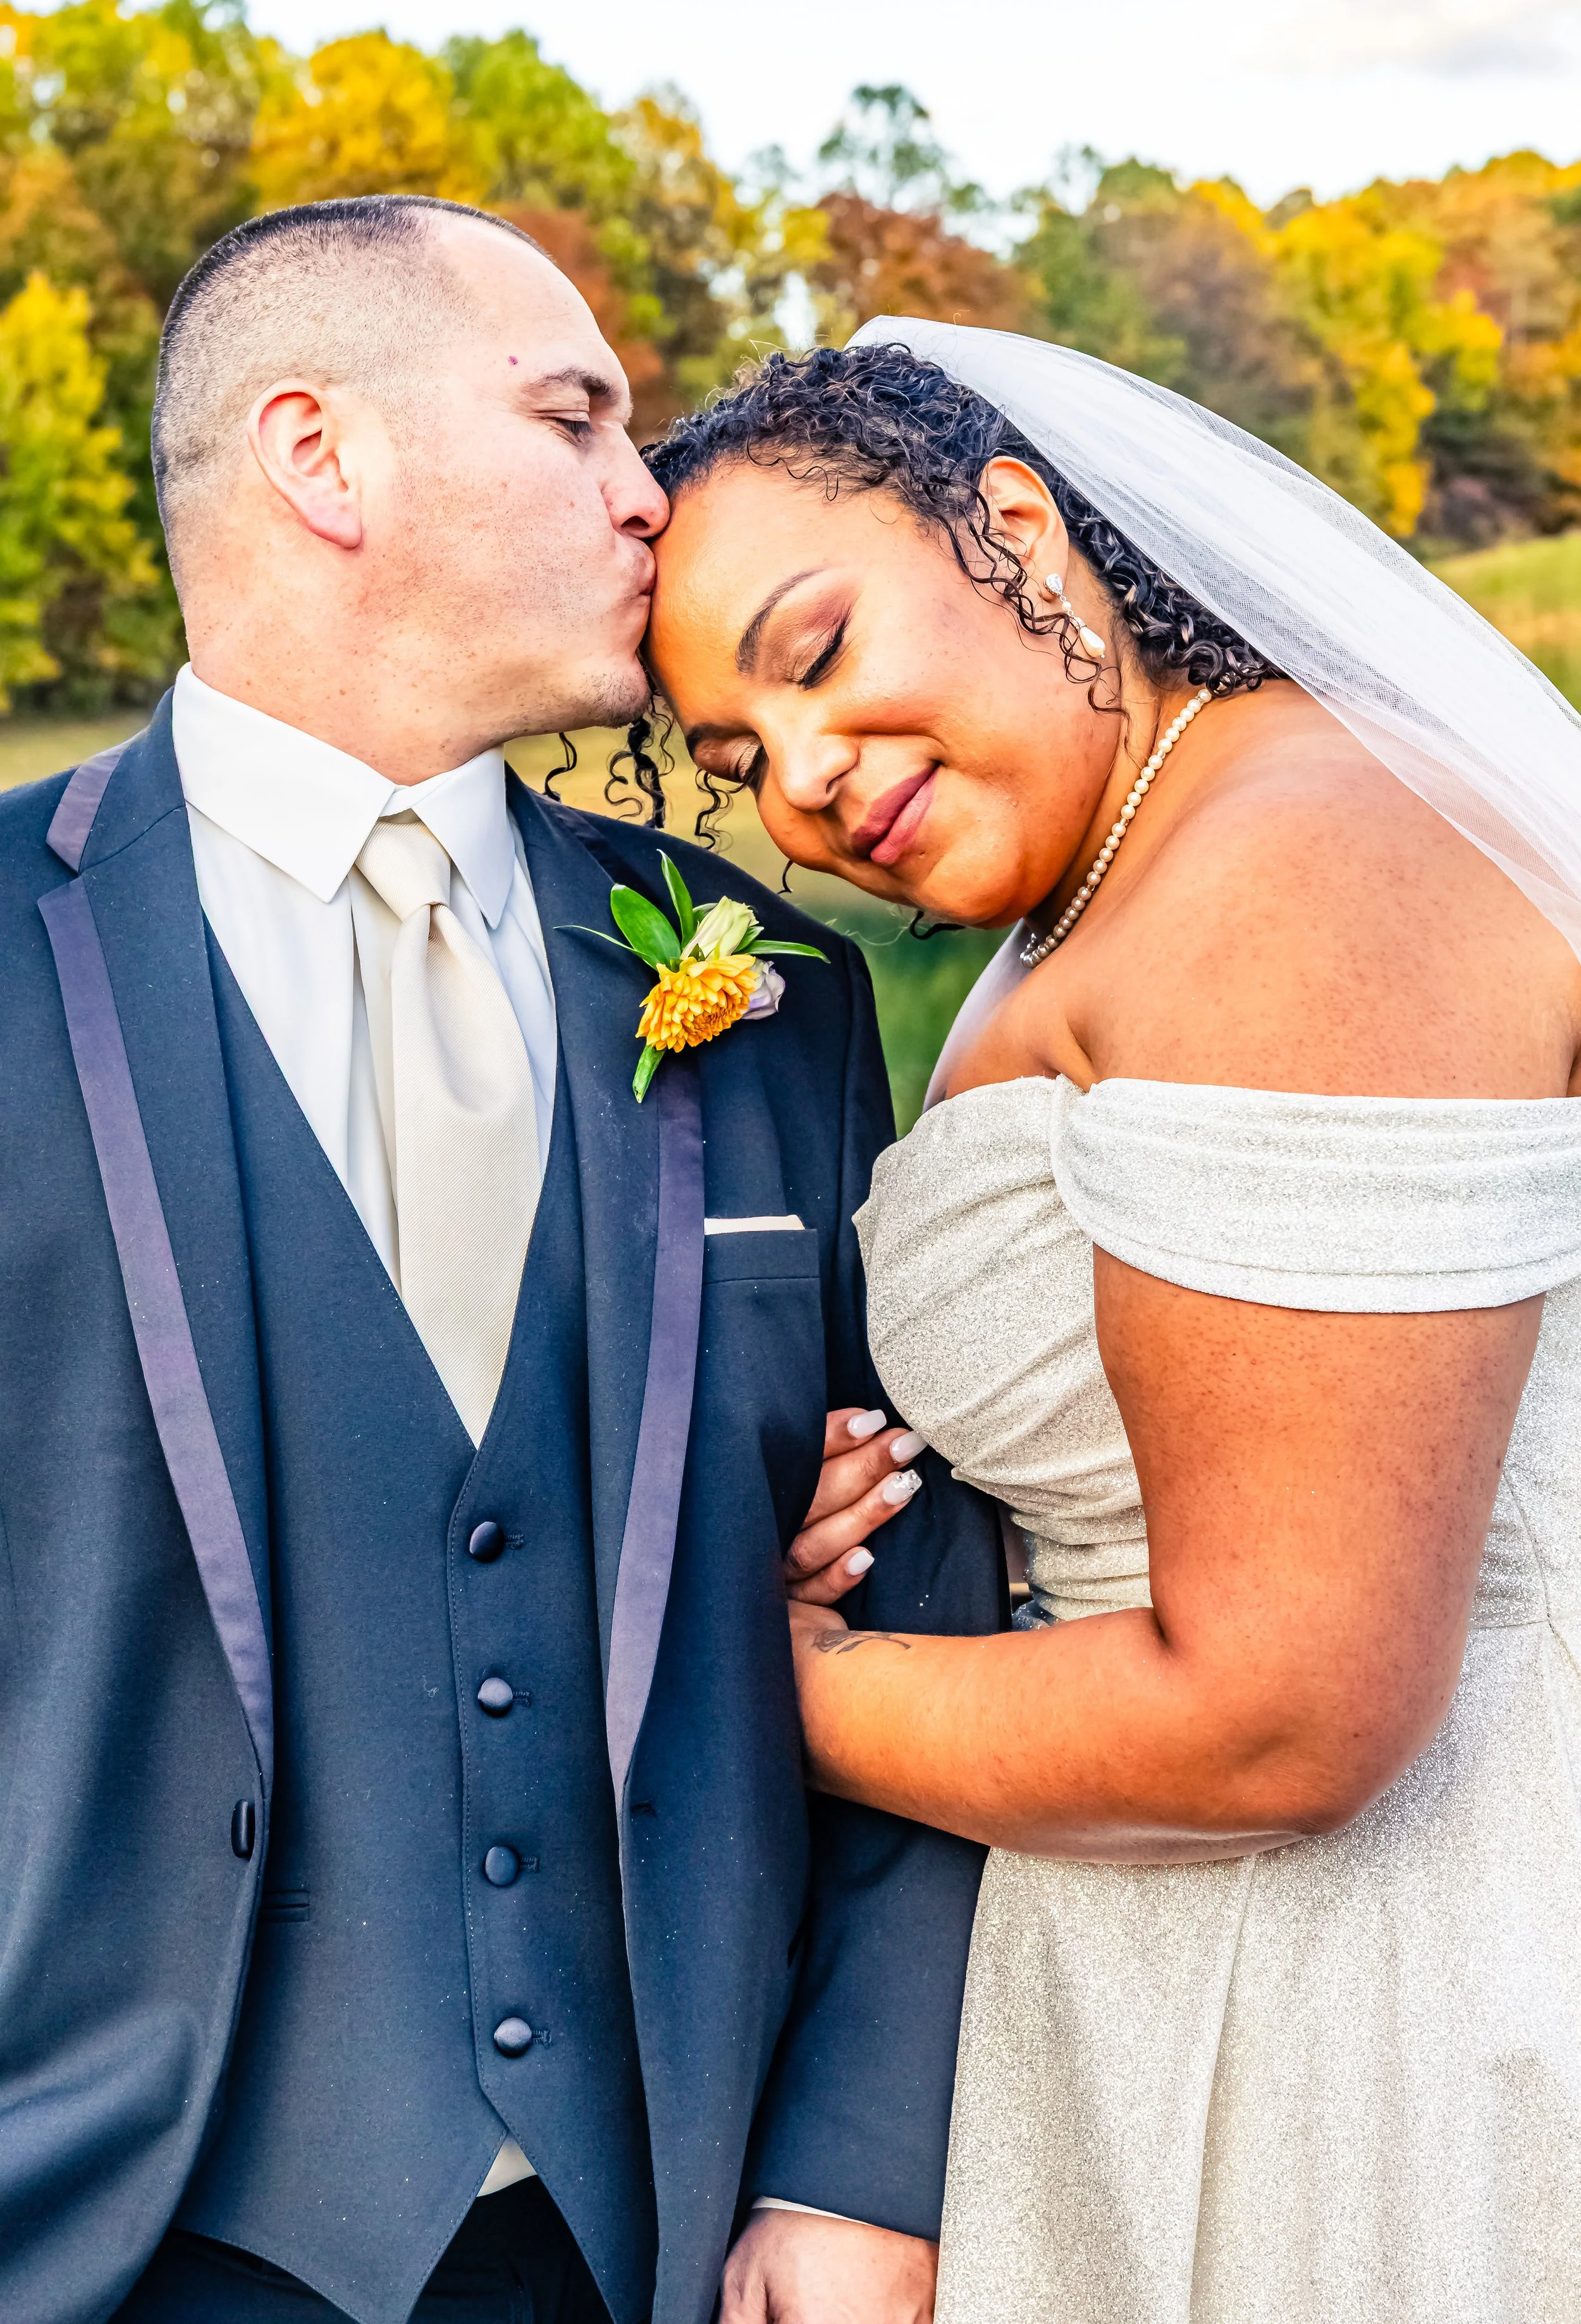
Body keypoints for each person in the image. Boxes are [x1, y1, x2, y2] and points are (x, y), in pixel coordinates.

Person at [0, 207, 1002, 2324]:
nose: (651, 491)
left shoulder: (774, 994)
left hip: (672, 2219)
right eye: (577, 418)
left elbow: (933, 1575)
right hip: (103, 2224)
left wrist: (855, 2161)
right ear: (320, 458)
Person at [641, 323, 1581, 2323]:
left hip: (1370, 1999)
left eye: (811, 654)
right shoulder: (1113, 889)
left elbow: (1286, 1703)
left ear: (1017, 532)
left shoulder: (1302, 865)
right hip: (1160, 1944)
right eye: (733, 763)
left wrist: (771, 1681)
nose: (799, 783)